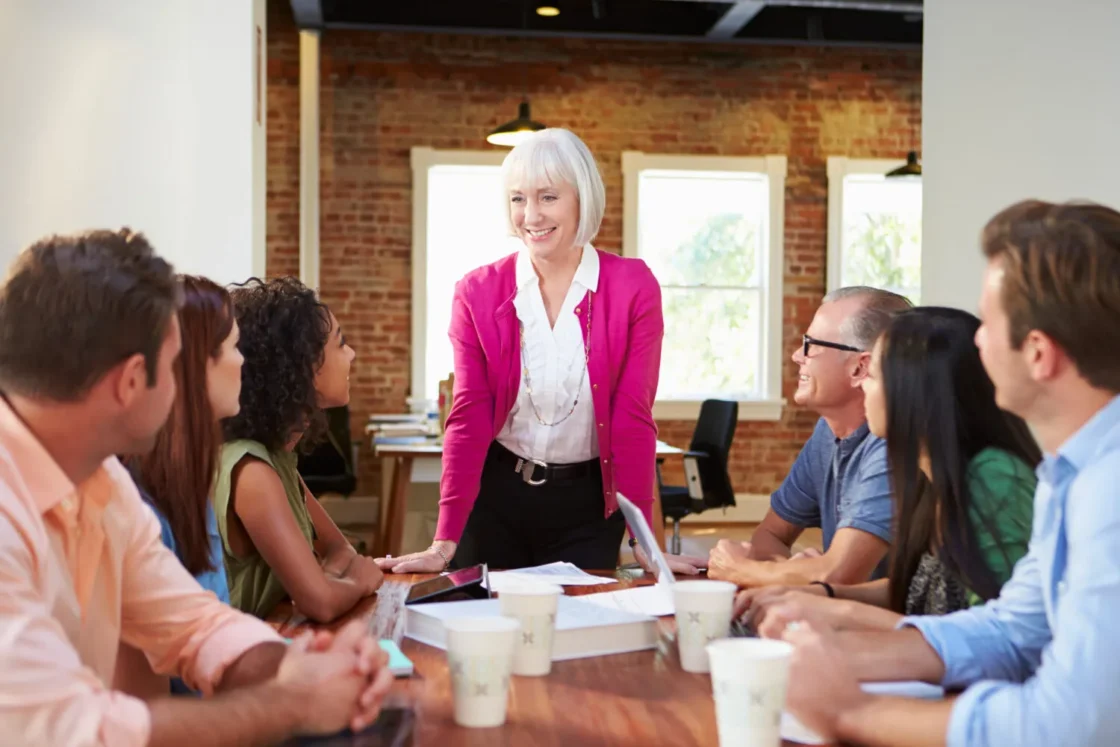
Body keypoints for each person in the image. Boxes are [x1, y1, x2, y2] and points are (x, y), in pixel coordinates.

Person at [0, 230, 392, 745]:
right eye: (177, 360)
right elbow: (74, 730)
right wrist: (288, 704)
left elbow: (194, 624)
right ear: (132, 382)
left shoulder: (103, 481)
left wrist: (300, 667)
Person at [781, 200, 1120, 747]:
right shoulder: (1073, 473)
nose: (977, 339)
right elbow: (1013, 630)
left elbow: (1070, 723)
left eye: (991, 323)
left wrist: (854, 712)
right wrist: (839, 650)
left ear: (1038, 353)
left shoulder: (1109, 490)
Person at [378, 128, 663, 573]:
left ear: (581, 199)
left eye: (548, 197)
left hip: (588, 507)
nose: (531, 215)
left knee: (577, 635)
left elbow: (633, 415)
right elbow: (468, 413)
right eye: (518, 199)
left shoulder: (633, 287)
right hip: (495, 500)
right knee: (486, 634)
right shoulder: (477, 292)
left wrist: (644, 541)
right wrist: (443, 540)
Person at [740, 307, 1039, 636]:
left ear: (913, 391)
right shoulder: (928, 474)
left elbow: (994, 632)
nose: (864, 389)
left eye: (872, 377)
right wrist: (817, 593)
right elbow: (914, 592)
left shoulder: (995, 478)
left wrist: (835, 608)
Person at [660, 287, 912, 585]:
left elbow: (839, 572)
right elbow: (771, 534)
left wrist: (745, 569)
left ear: (860, 367)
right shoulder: (826, 433)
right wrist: (795, 573)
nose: (796, 356)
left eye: (811, 345)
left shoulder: (891, 445)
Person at [215, 277, 383, 621]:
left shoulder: (278, 460)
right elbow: (319, 603)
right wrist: (357, 582)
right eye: (341, 344)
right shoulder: (253, 472)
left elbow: (340, 549)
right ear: (302, 365)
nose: (351, 354)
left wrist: (329, 578)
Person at [116, 275, 246, 697]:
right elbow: (149, 720)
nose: (243, 361)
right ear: (192, 365)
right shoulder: (137, 508)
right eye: (233, 347)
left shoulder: (190, 482)